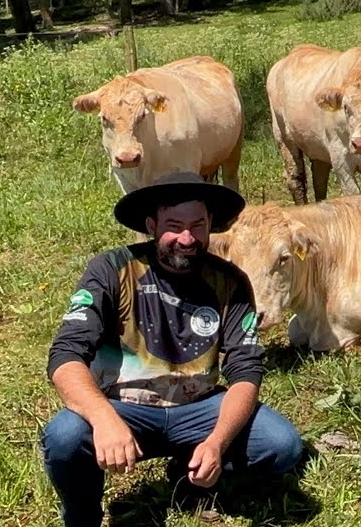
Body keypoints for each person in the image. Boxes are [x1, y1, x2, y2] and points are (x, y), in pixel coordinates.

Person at [40, 171, 304, 527]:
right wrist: (104, 419)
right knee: (64, 436)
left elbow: (246, 371)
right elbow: (66, 355)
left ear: (211, 224)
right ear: (151, 225)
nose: (186, 237)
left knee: (280, 444)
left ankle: (188, 472)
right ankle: (82, 513)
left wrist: (218, 441)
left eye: (197, 225)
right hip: (123, 407)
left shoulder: (231, 282)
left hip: (198, 407)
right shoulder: (111, 269)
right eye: (174, 225)